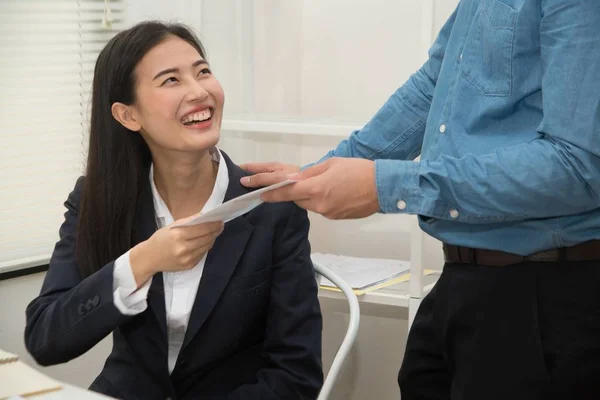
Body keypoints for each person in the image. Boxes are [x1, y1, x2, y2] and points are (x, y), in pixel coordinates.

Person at [241, 1, 600, 399]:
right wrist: (315, 176)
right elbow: (433, 85)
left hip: (545, 298)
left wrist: (385, 187)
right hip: (465, 281)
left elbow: (578, 165)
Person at [24, 21, 323, 400]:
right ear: (128, 116)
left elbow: (296, 376)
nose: (199, 91)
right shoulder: (97, 199)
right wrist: (142, 261)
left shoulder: (272, 207)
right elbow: (46, 338)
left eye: (203, 72)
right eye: (171, 80)